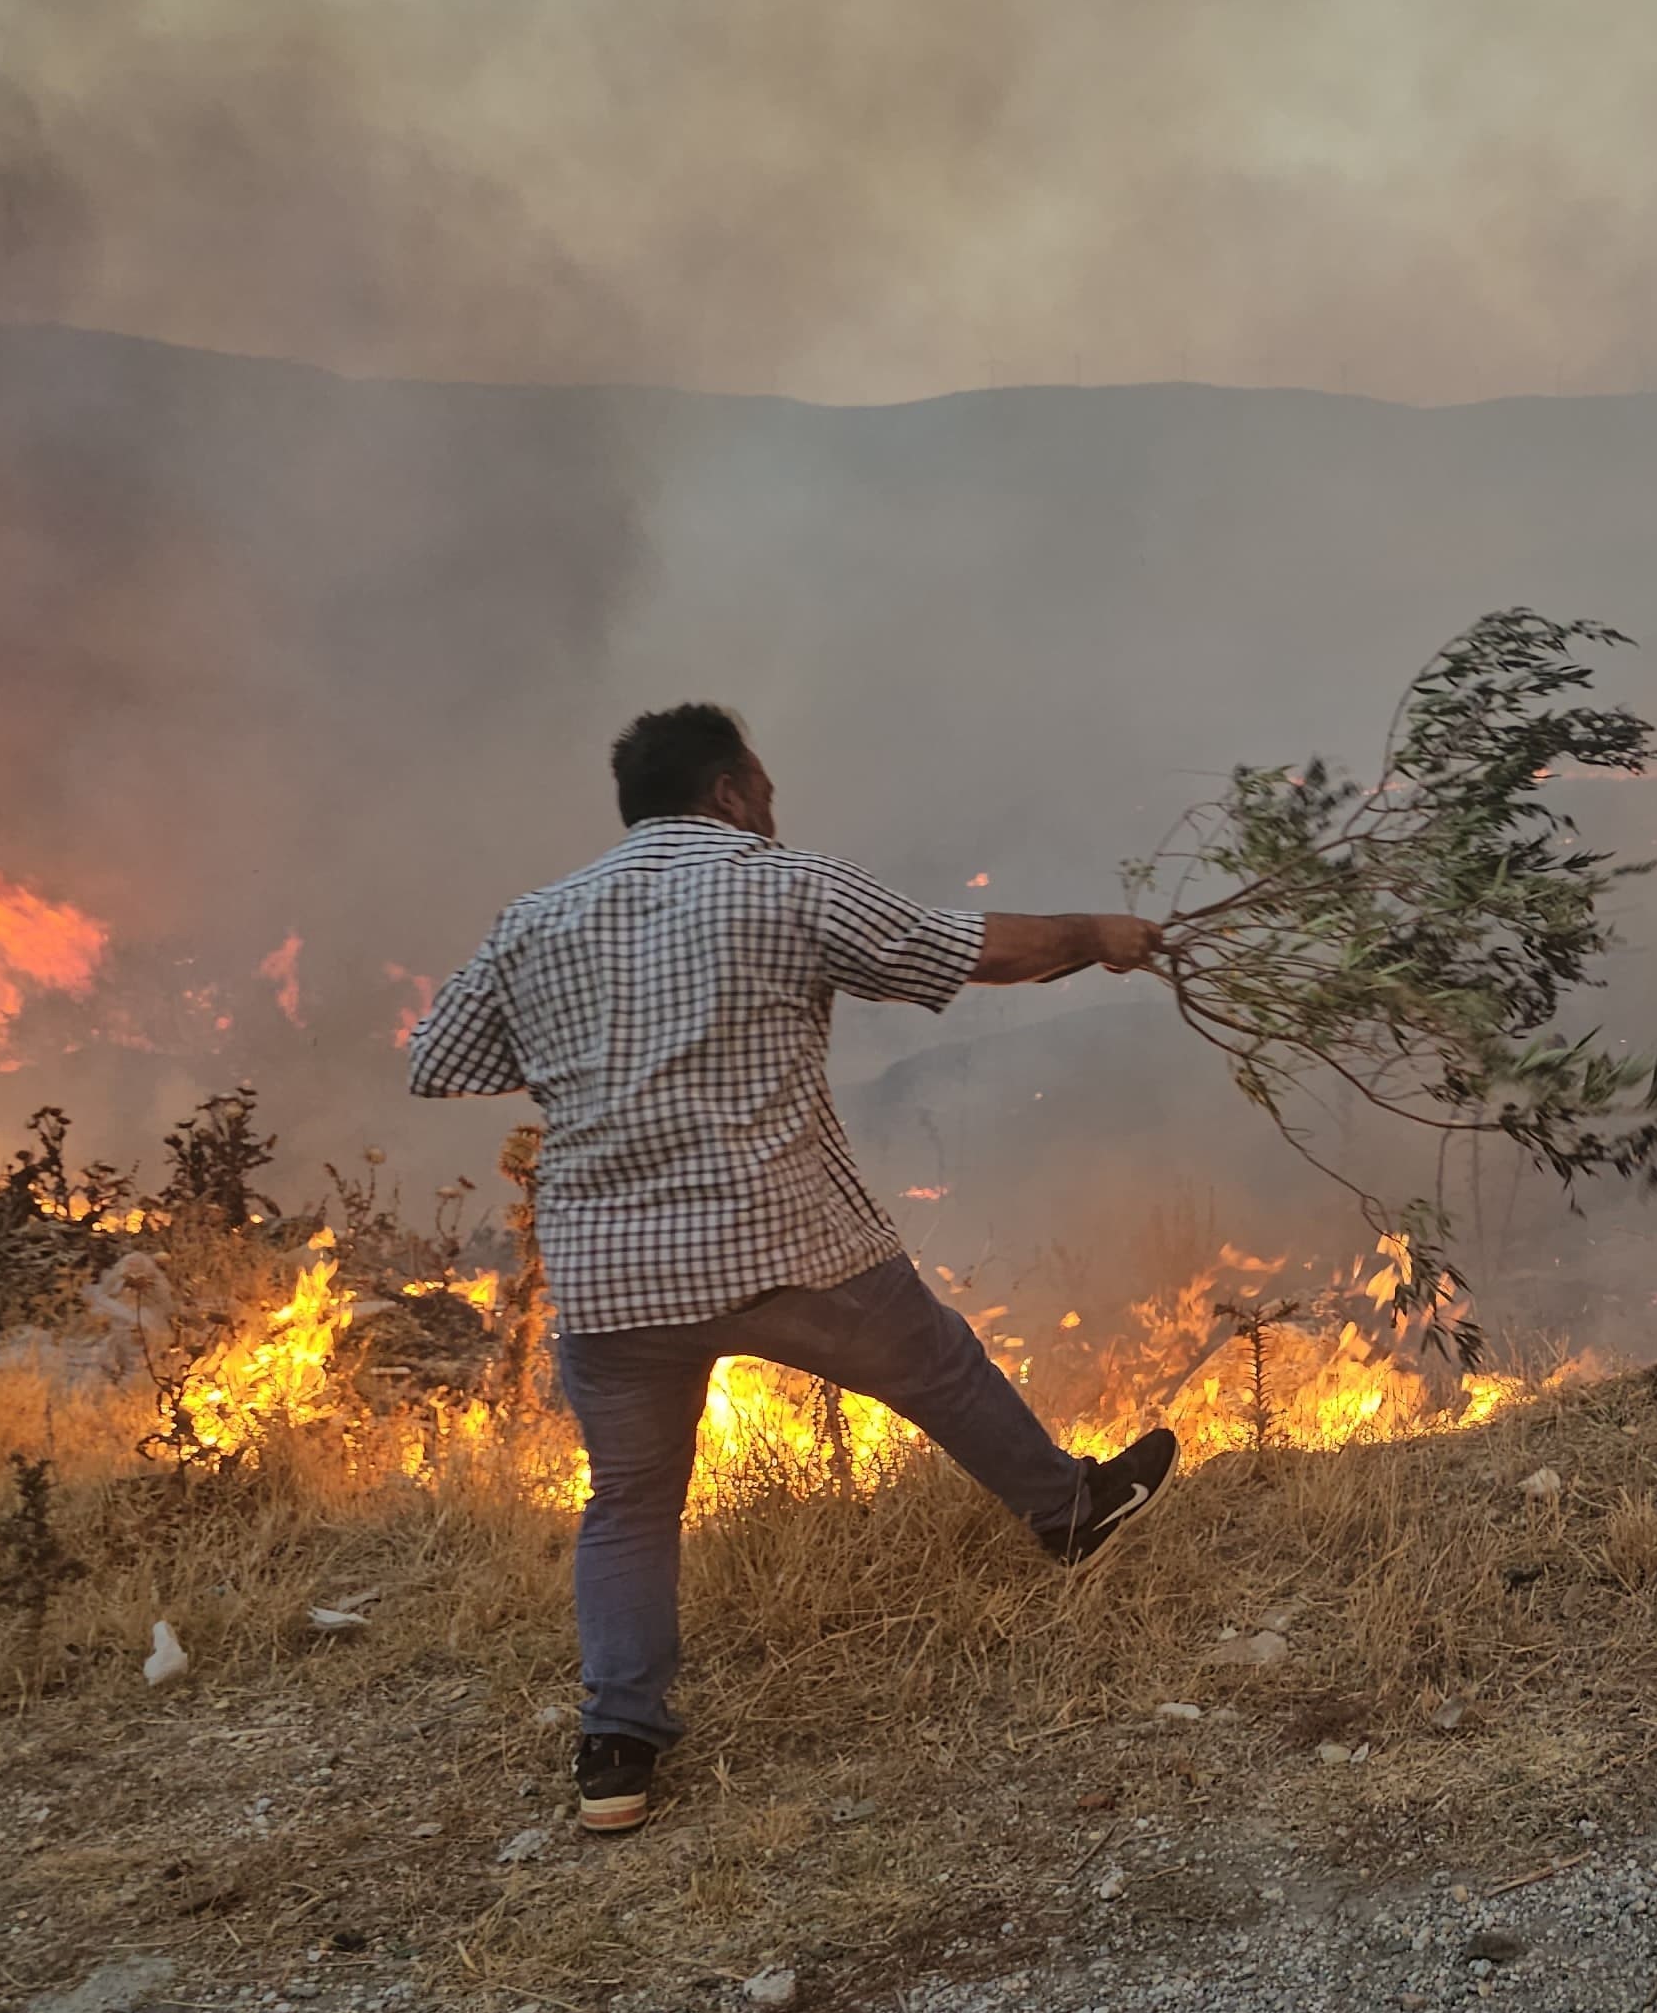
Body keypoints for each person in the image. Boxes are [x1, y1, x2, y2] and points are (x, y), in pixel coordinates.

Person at [410, 703, 1181, 1834]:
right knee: (934, 1364)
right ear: (728, 790)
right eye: (762, 787)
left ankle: (616, 1747)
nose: (773, 808)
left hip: (611, 1275)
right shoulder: (781, 883)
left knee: (628, 1502)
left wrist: (595, 1067)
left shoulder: (536, 921)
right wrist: (1100, 934)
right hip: (773, 1238)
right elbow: (972, 949)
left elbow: (439, 1058)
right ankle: (1067, 1508)